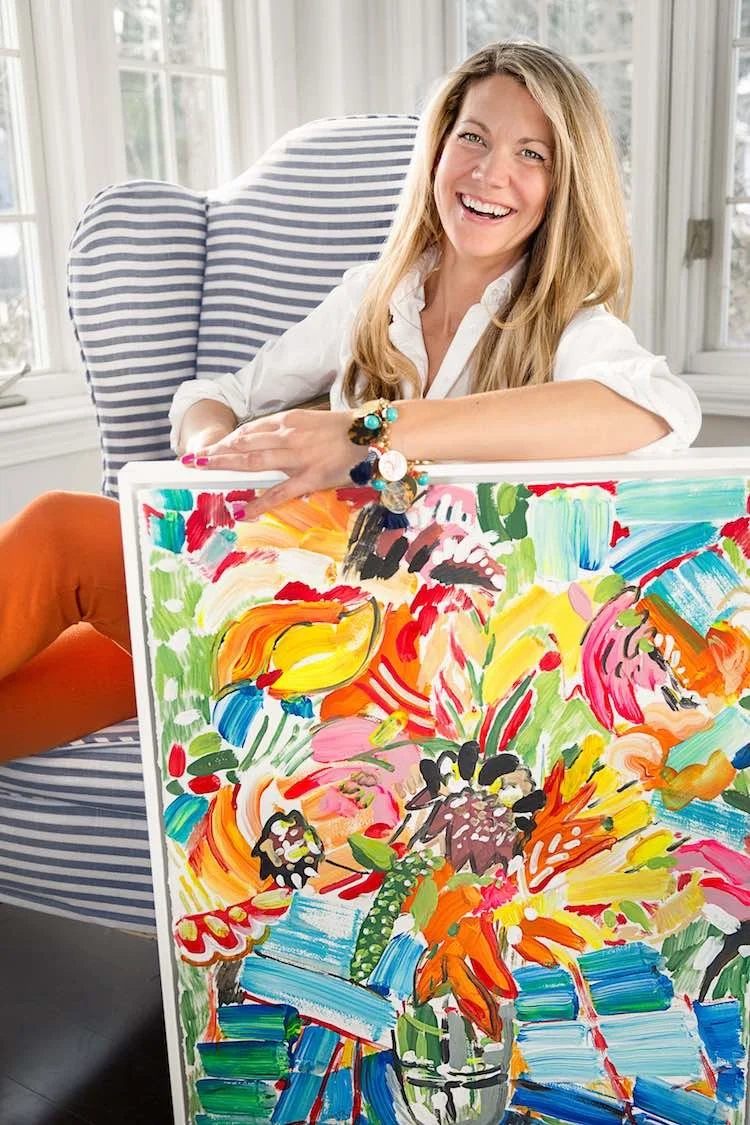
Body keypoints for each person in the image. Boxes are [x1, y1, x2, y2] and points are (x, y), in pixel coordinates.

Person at [0, 41, 700, 761]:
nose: (491, 173)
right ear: (438, 150)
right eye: (473, 137)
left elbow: (659, 410)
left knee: (60, 536)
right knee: (57, 687)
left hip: (411, 653)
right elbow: (214, 394)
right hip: (284, 598)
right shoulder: (372, 297)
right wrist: (219, 462)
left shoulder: (570, 325)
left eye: (532, 154)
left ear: (564, 185)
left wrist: (372, 432)